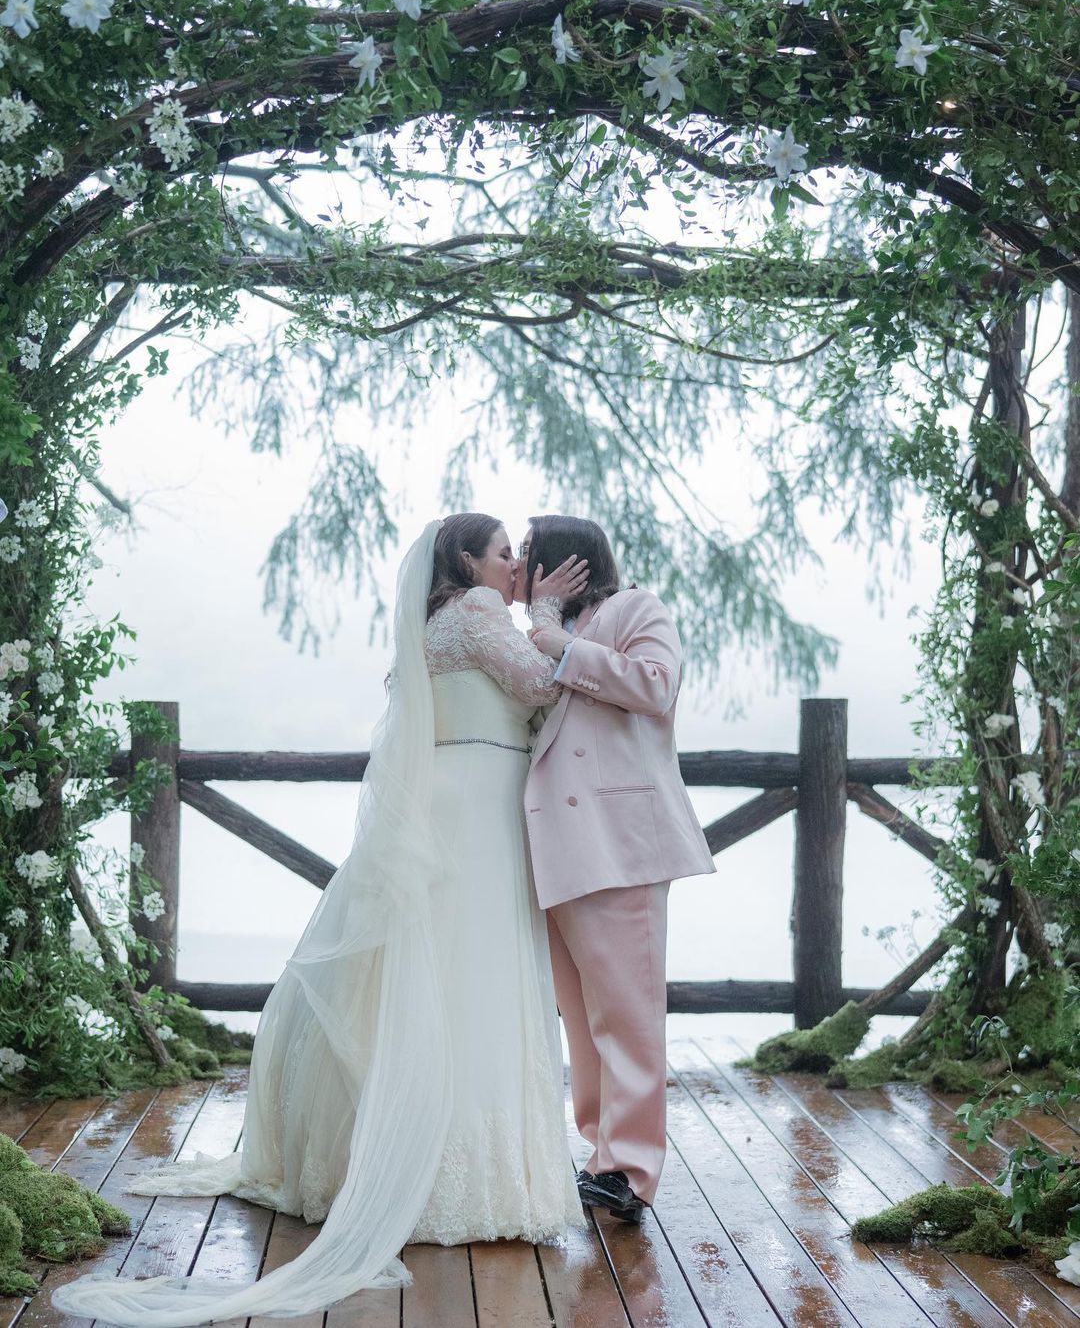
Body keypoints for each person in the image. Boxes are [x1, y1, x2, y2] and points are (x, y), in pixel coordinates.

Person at [53, 514, 586, 1327]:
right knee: (476, 978)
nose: (516, 565)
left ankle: (395, 1155)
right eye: (504, 553)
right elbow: (544, 685)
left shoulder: (441, 621)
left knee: (443, 977)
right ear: (467, 560)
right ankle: (456, 1174)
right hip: (476, 813)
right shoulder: (480, 612)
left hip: (458, 803)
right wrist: (545, 612)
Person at [519, 514, 715, 1224]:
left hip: (619, 843)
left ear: (564, 562)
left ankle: (630, 1170)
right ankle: (602, 1153)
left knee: (628, 1016)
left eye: (528, 552)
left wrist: (562, 646)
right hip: (555, 847)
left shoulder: (636, 608)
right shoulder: (537, 633)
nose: (519, 566)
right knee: (583, 1017)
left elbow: (656, 686)